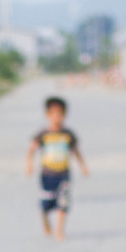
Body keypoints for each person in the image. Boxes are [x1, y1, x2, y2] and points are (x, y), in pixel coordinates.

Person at [26, 96, 89, 241]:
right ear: (47, 115)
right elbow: (31, 150)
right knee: (46, 203)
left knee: (63, 203)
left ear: (65, 115)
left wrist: (83, 166)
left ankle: (59, 231)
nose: (57, 117)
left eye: (60, 114)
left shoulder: (68, 135)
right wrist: (29, 165)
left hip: (64, 174)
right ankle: (45, 219)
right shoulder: (43, 135)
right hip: (47, 174)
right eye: (53, 114)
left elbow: (76, 151)